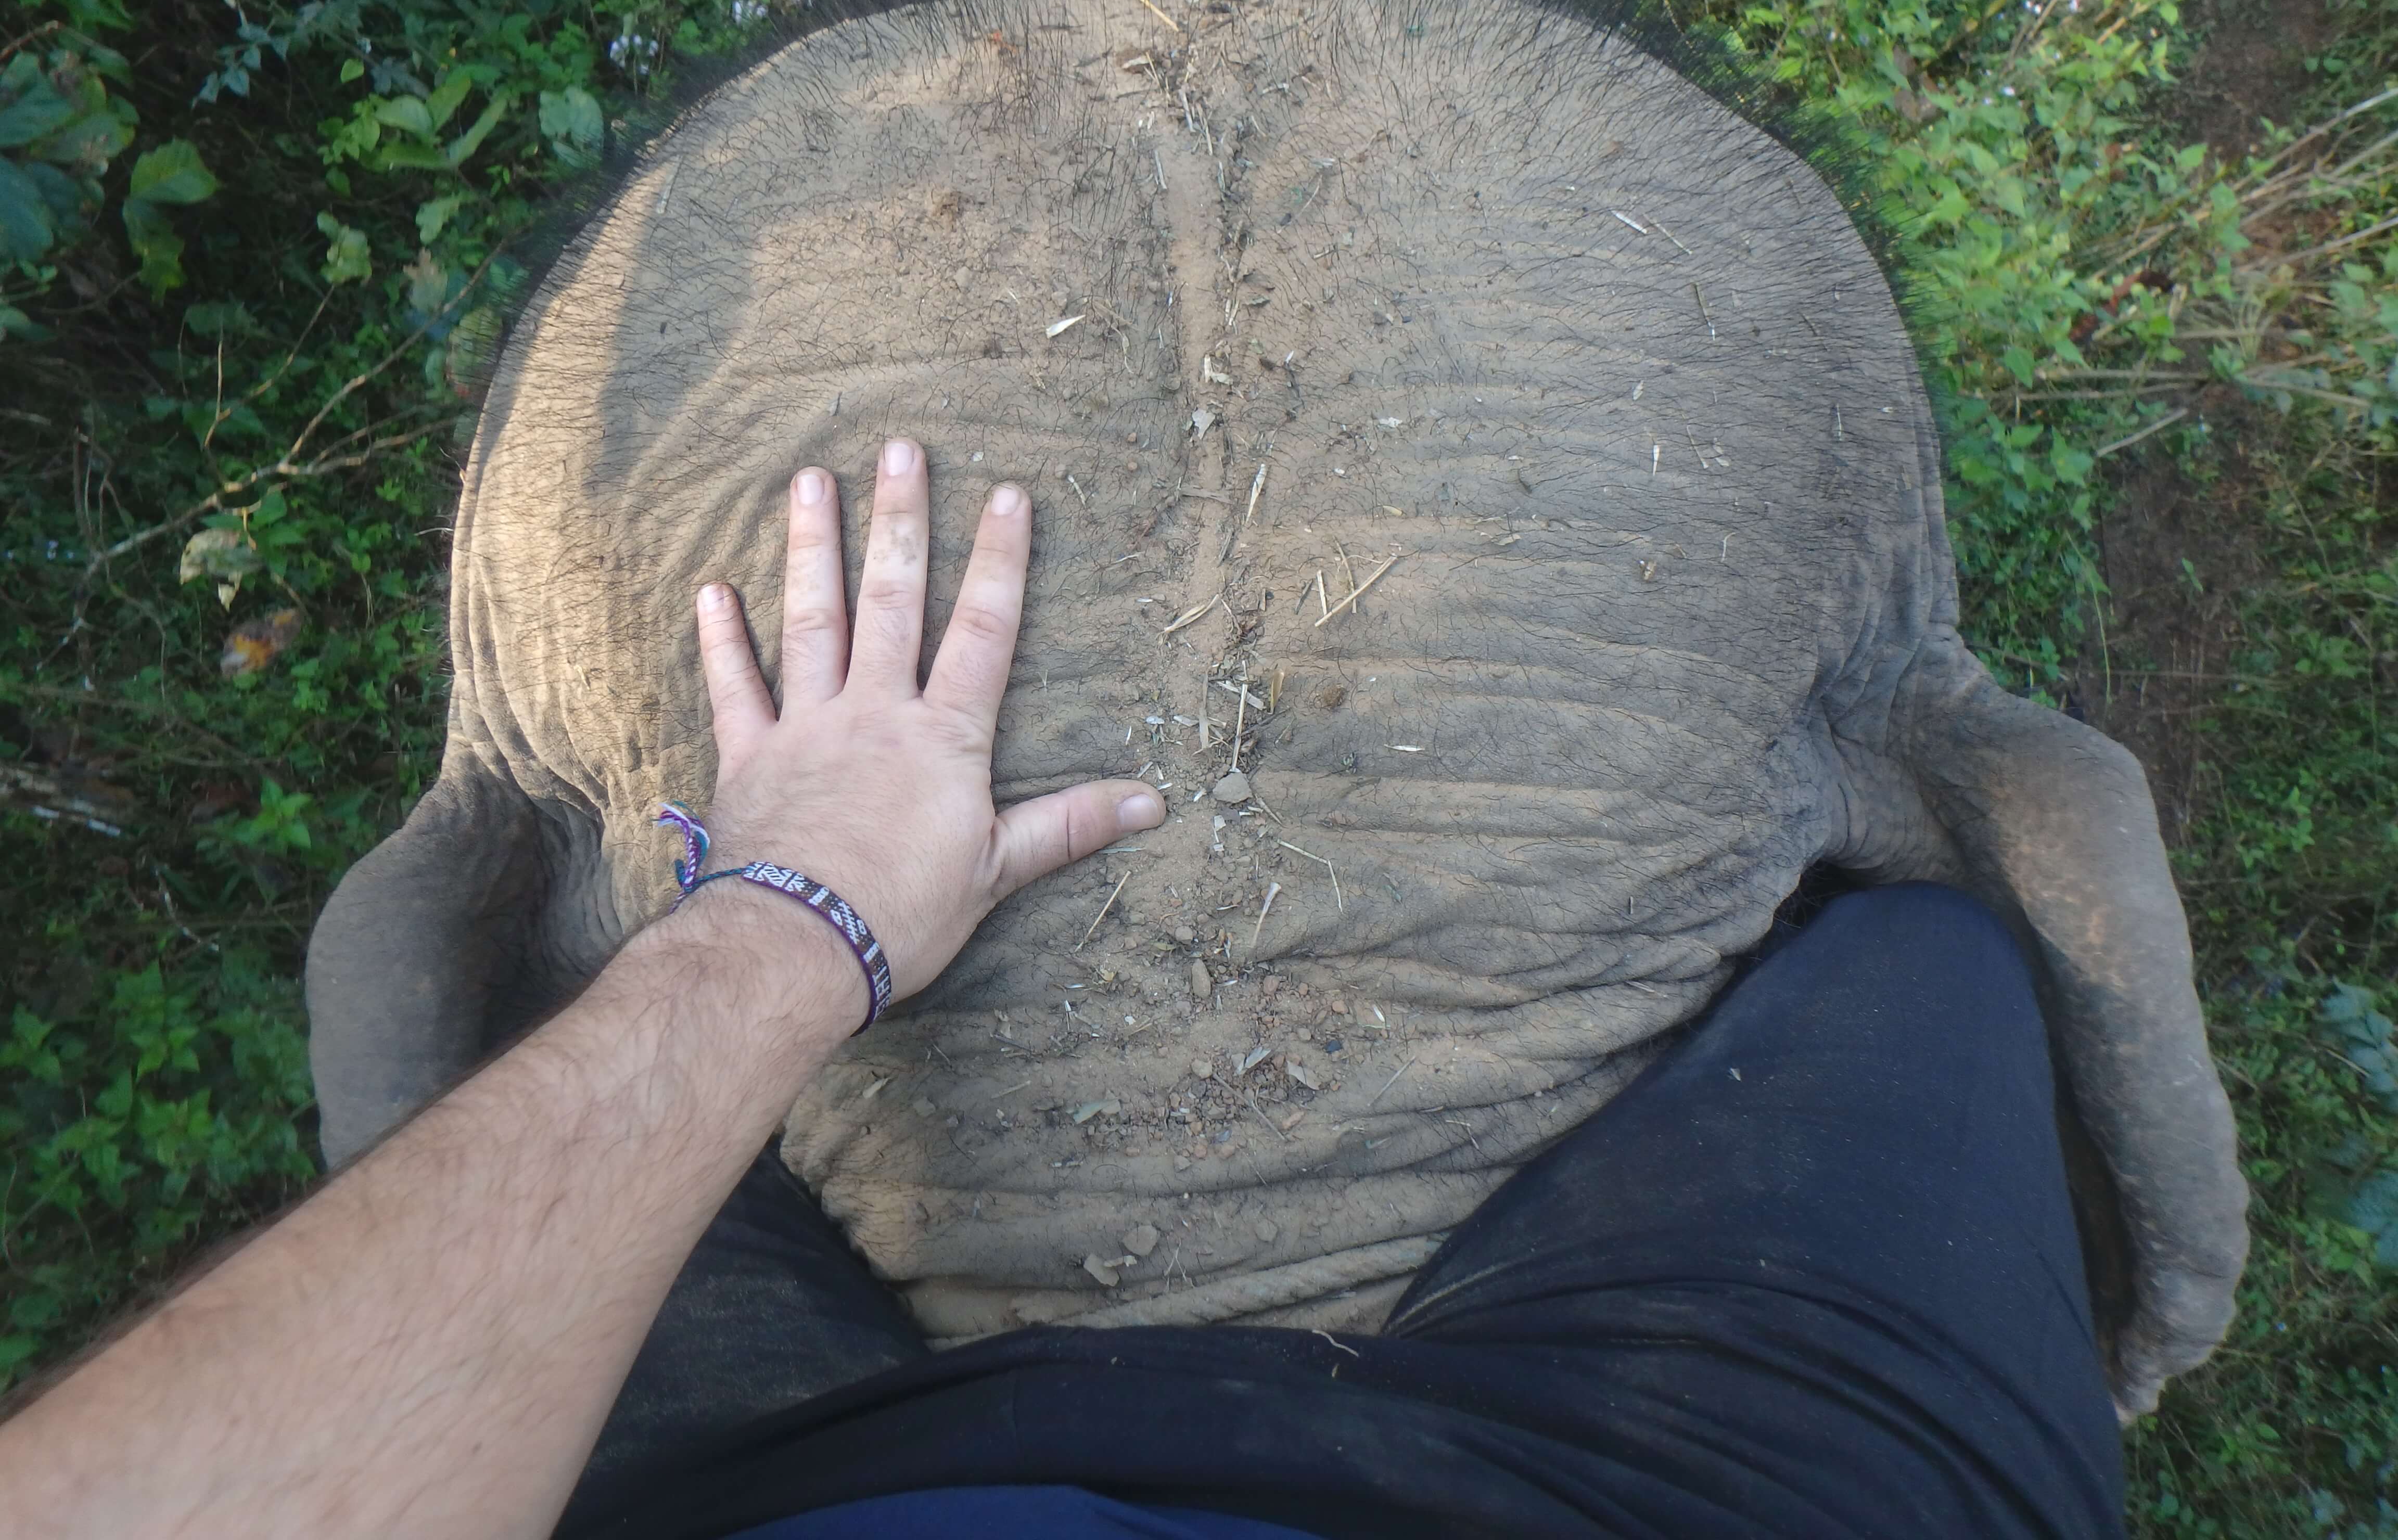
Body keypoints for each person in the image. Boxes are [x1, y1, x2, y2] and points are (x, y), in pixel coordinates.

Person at [0, 440, 2127, 1540]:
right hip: (1665, 1495)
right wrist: (779, 919)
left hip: (766, 1496)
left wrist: (789, 918)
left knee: (514, 1060)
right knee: (1931, 964)